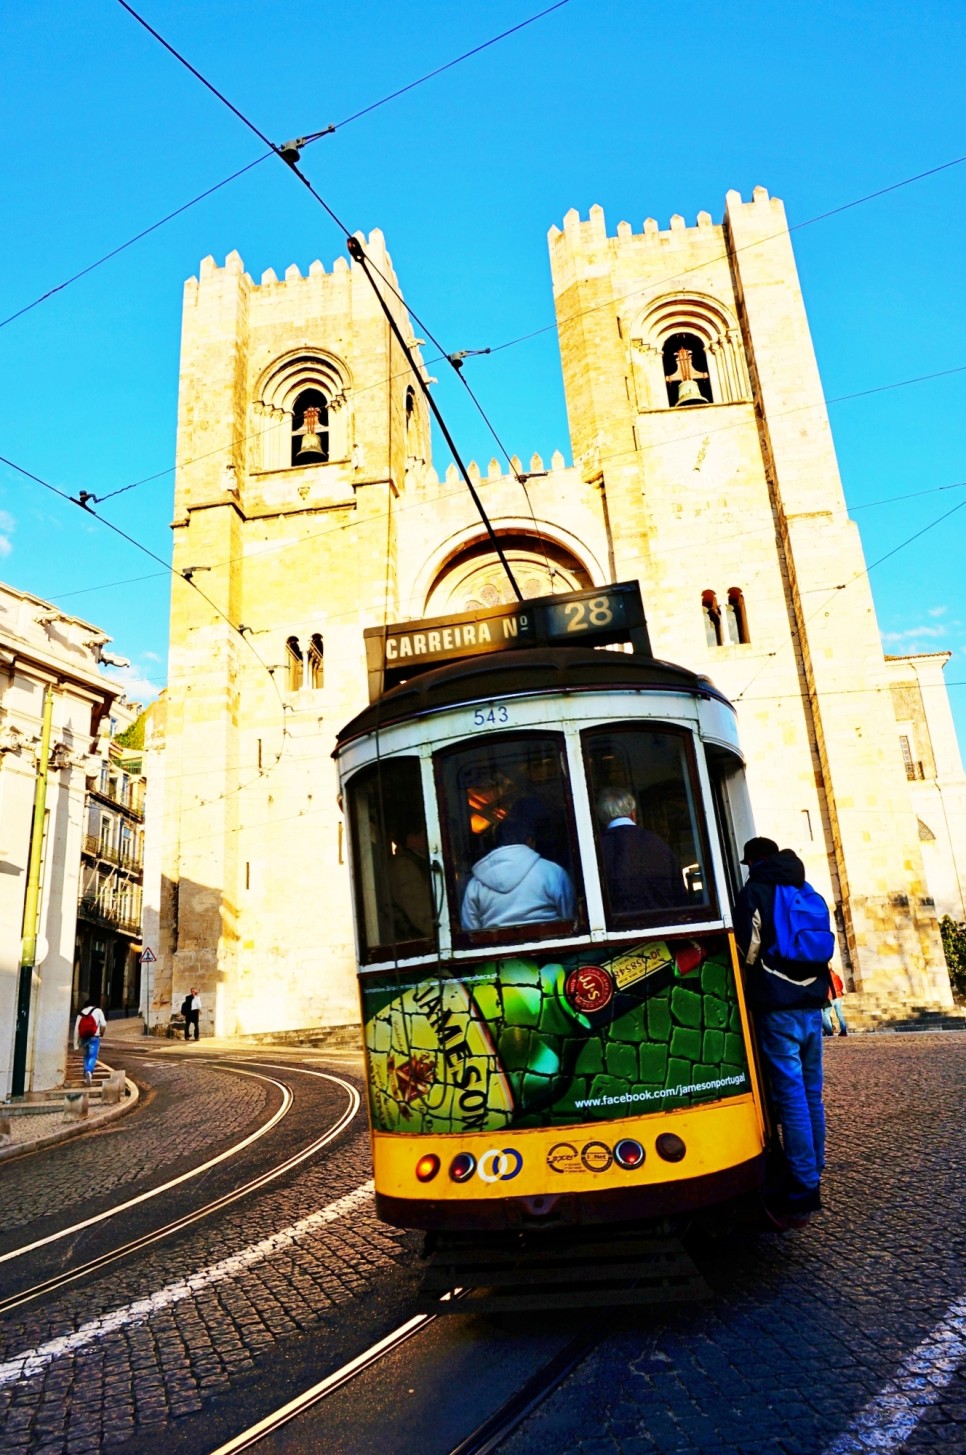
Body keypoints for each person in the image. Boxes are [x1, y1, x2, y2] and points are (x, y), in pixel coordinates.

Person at [733, 836, 832, 1221]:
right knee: (812, 1095)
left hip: (777, 1005)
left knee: (790, 1097)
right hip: (811, 1003)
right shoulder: (804, 887)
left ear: (754, 860)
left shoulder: (755, 890)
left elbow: (750, 950)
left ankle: (804, 1184)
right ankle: (816, 1166)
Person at [461, 796, 576, 931]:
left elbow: (470, 930)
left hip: (499, 950)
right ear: (530, 841)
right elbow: (569, 919)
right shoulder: (553, 872)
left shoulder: (476, 884)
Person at [596, 788, 686, 914]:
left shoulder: (597, 850)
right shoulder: (658, 843)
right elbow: (680, 894)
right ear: (633, 813)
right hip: (664, 923)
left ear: (602, 818)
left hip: (618, 928)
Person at [388, 825, 434, 940]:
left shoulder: (420, 863)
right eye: (426, 834)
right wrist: (442, 935)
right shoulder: (405, 867)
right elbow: (421, 915)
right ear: (411, 840)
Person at [73, 1001, 107, 1086]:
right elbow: (103, 1024)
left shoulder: (81, 1013)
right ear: (94, 1005)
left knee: (86, 1056)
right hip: (94, 1037)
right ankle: (89, 1071)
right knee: (93, 1056)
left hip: (83, 1038)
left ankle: (85, 1077)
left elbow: (76, 1029)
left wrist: (75, 1044)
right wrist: (101, 1033)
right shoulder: (98, 1011)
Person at [822, 967, 849, 1037]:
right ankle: (843, 1031)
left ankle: (829, 1031)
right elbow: (841, 985)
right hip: (839, 996)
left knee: (825, 1014)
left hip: (831, 997)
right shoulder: (836, 975)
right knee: (839, 1014)